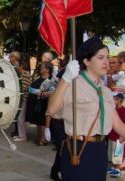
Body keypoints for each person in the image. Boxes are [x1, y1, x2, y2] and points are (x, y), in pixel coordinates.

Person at [48, 37, 125, 181]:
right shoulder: (73, 85)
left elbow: (119, 125)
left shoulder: (106, 91)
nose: (106, 62)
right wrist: (65, 78)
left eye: (107, 58)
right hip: (78, 150)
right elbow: (51, 109)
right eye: (100, 57)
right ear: (86, 61)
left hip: (99, 150)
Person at [26, 61, 54, 145]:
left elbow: (53, 90)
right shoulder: (39, 77)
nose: (41, 69)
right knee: (38, 121)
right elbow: (31, 89)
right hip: (37, 102)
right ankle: (40, 138)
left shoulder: (51, 80)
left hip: (45, 103)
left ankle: (43, 139)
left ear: (47, 70)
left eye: (42, 67)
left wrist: (44, 93)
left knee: (43, 121)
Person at [107, 93, 125, 178]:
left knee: (118, 153)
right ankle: (112, 168)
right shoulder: (114, 109)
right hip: (111, 136)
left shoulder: (123, 111)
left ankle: (117, 170)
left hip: (119, 137)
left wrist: (122, 136)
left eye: (116, 99)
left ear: (120, 100)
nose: (114, 100)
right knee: (110, 153)